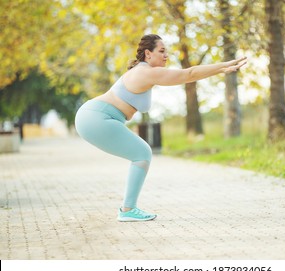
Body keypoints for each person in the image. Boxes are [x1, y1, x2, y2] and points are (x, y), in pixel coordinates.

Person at [75, 34, 247, 222]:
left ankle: (128, 209)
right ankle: (127, 209)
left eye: (167, 52)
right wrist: (223, 66)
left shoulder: (143, 72)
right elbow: (189, 74)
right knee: (142, 153)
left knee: (141, 153)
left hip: (97, 116)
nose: (166, 56)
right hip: (96, 116)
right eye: (162, 51)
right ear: (148, 54)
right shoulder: (146, 72)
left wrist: (223, 68)